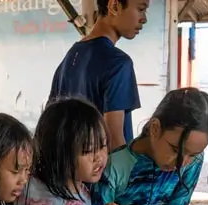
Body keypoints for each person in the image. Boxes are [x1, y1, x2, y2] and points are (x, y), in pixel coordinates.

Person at [90, 87, 208, 205]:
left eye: (193, 155)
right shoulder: (114, 165)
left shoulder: (194, 162)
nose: (182, 163)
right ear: (155, 128)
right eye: (175, 150)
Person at [48, 0, 148, 151]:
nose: (144, 18)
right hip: (104, 172)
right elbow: (114, 139)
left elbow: (50, 127)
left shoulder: (68, 60)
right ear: (114, 6)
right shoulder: (118, 63)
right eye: (141, 9)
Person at [15, 97, 114, 205]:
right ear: (58, 152)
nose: (99, 157)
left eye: (103, 145)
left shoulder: (91, 192)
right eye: (88, 150)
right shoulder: (26, 187)